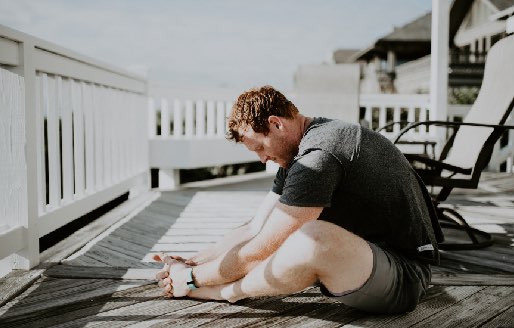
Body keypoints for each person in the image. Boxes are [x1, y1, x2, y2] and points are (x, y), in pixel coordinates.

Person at [154, 85, 443, 314]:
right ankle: (205, 283)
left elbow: (262, 248)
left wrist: (194, 280)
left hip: (403, 276)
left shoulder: (319, 155)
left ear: (276, 124)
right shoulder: (298, 153)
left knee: (310, 238)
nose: (262, 158)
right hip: (363, 261)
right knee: (278, 230)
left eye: (259, 148)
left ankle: (226, 293)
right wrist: (192, 262)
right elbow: (256, 228)